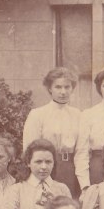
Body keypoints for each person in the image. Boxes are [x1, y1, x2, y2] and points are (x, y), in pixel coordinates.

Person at [23, 67, 82, 196]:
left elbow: (81, 149)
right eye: (58, 87)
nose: (63, 92)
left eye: (67, 87)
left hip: (70, 168)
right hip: (46, 167)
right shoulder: (38, 114)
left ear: (72, 88)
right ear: (50, 88)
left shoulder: (78, 114)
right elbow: (29, 149)